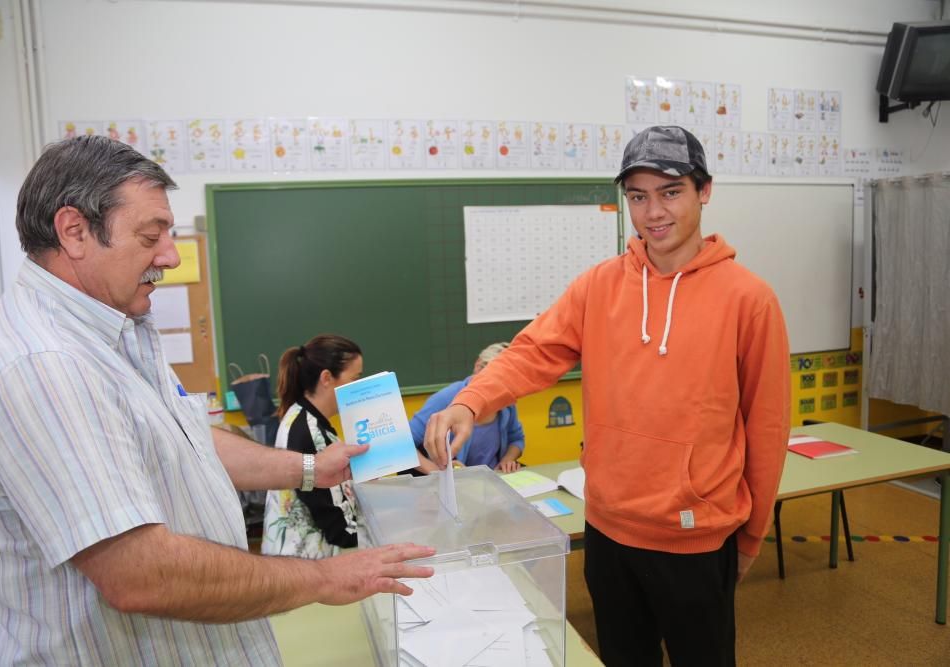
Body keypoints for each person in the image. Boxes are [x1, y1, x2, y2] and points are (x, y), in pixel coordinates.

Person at [0, 136, 433, 666]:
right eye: (149, 236)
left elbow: (183, 442)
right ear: (74, 231)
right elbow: (138, 574)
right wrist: (324, 576)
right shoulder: (45, 368)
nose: (171, 256)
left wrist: (310, 468)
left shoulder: (119, 327)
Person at [424, 126, 790, 666]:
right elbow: (532, 352)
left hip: (697, 539)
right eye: (638, 196)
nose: (653, 212)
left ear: (704, 191)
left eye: (670, 192)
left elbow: (766, 424)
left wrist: (752, 535)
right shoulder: (599, 286)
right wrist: (470, 402)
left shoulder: (748, 299)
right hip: (609, 532)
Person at [262, 335, 362, 557]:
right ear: (327, 378)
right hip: (301, 563)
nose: (358, 388)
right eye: (355, 379)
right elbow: (335, 525)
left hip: (300, 557)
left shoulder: (304, 416)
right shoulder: (308, 432)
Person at [410, 342, 525, 473]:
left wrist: (508, 459)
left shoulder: (506, 401)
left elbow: (516, 439)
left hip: (491, 480)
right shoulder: (446, 398)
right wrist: (438, 472)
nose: (497, 392)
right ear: (477, 366)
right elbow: (403, 444)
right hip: (456, 487)